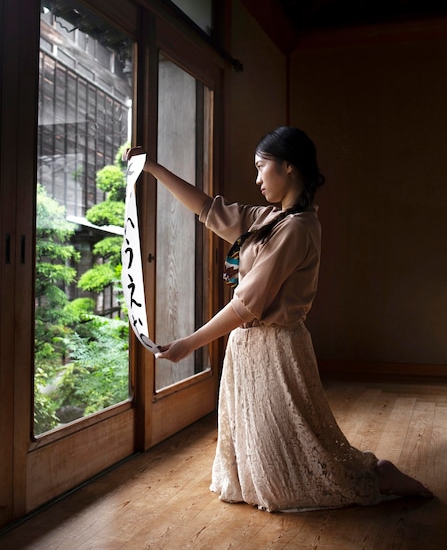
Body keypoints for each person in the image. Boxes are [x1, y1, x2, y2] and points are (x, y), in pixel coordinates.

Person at [124, 125, 433, 512]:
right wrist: (151, 167)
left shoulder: (298, 228)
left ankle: (378, 475)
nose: (256, 179)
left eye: (260, 168)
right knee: (253, 476)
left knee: (288, 482)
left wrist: (189, 343)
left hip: (276, 348)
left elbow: (247, 305)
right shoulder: (268, 218)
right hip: (245, 349)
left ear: (288, 167)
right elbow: (208, 209)